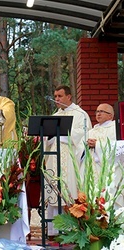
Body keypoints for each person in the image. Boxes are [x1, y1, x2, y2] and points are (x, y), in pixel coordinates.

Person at [44, 85, 92, 238]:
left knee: (69, 190)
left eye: (59, 96)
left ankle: (71, 229)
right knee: (53, 193)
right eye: (55, 96)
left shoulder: (80, 114)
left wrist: (63, 137)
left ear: (69, 96)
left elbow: (84, 134)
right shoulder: (54, 115)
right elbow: (47, 137)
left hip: (70, 159)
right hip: (53, 158)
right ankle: (53, 230)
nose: (56, 99)